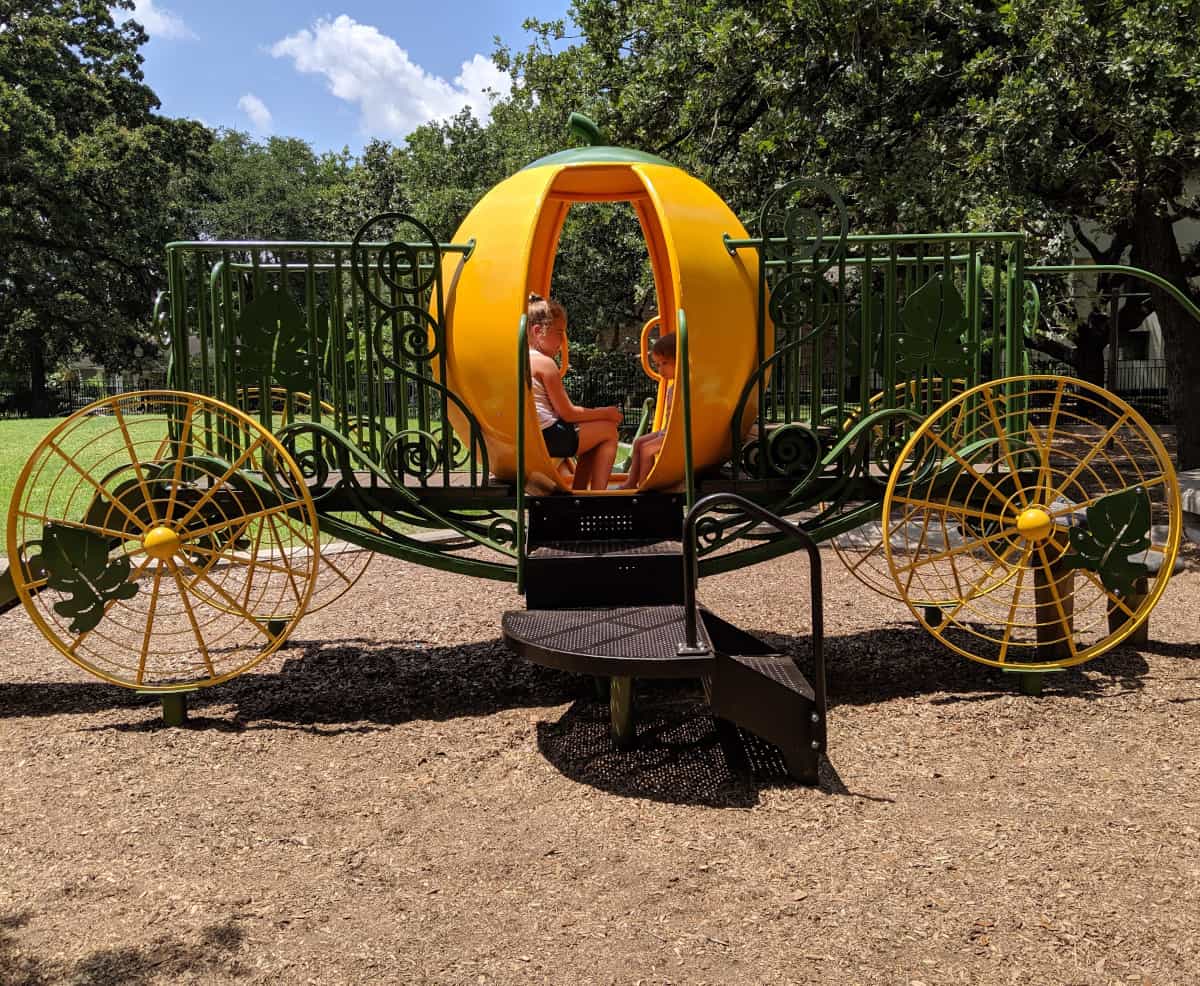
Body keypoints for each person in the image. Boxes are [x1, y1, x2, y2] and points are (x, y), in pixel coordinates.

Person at [527, 293, 622, 491]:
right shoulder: (544, 363)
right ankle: (597, 496)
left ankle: (579, 492)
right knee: (608, 430)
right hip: (547, 437)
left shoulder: (523, 358)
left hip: (533, 435)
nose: (562, 341)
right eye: (559, 333)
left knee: (593, 435)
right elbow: (567, 413)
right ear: (538, 331)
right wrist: (606, 412)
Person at [620, 333, 676, 489]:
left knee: (646, 449)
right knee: (638, 442)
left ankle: (644, 487)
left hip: (676, 435)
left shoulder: (683, 387)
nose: (660, 369)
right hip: (667, 432)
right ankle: (631, 482)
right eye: (658, 365)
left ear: (679, 361)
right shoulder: (673, 386)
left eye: (665, 363)